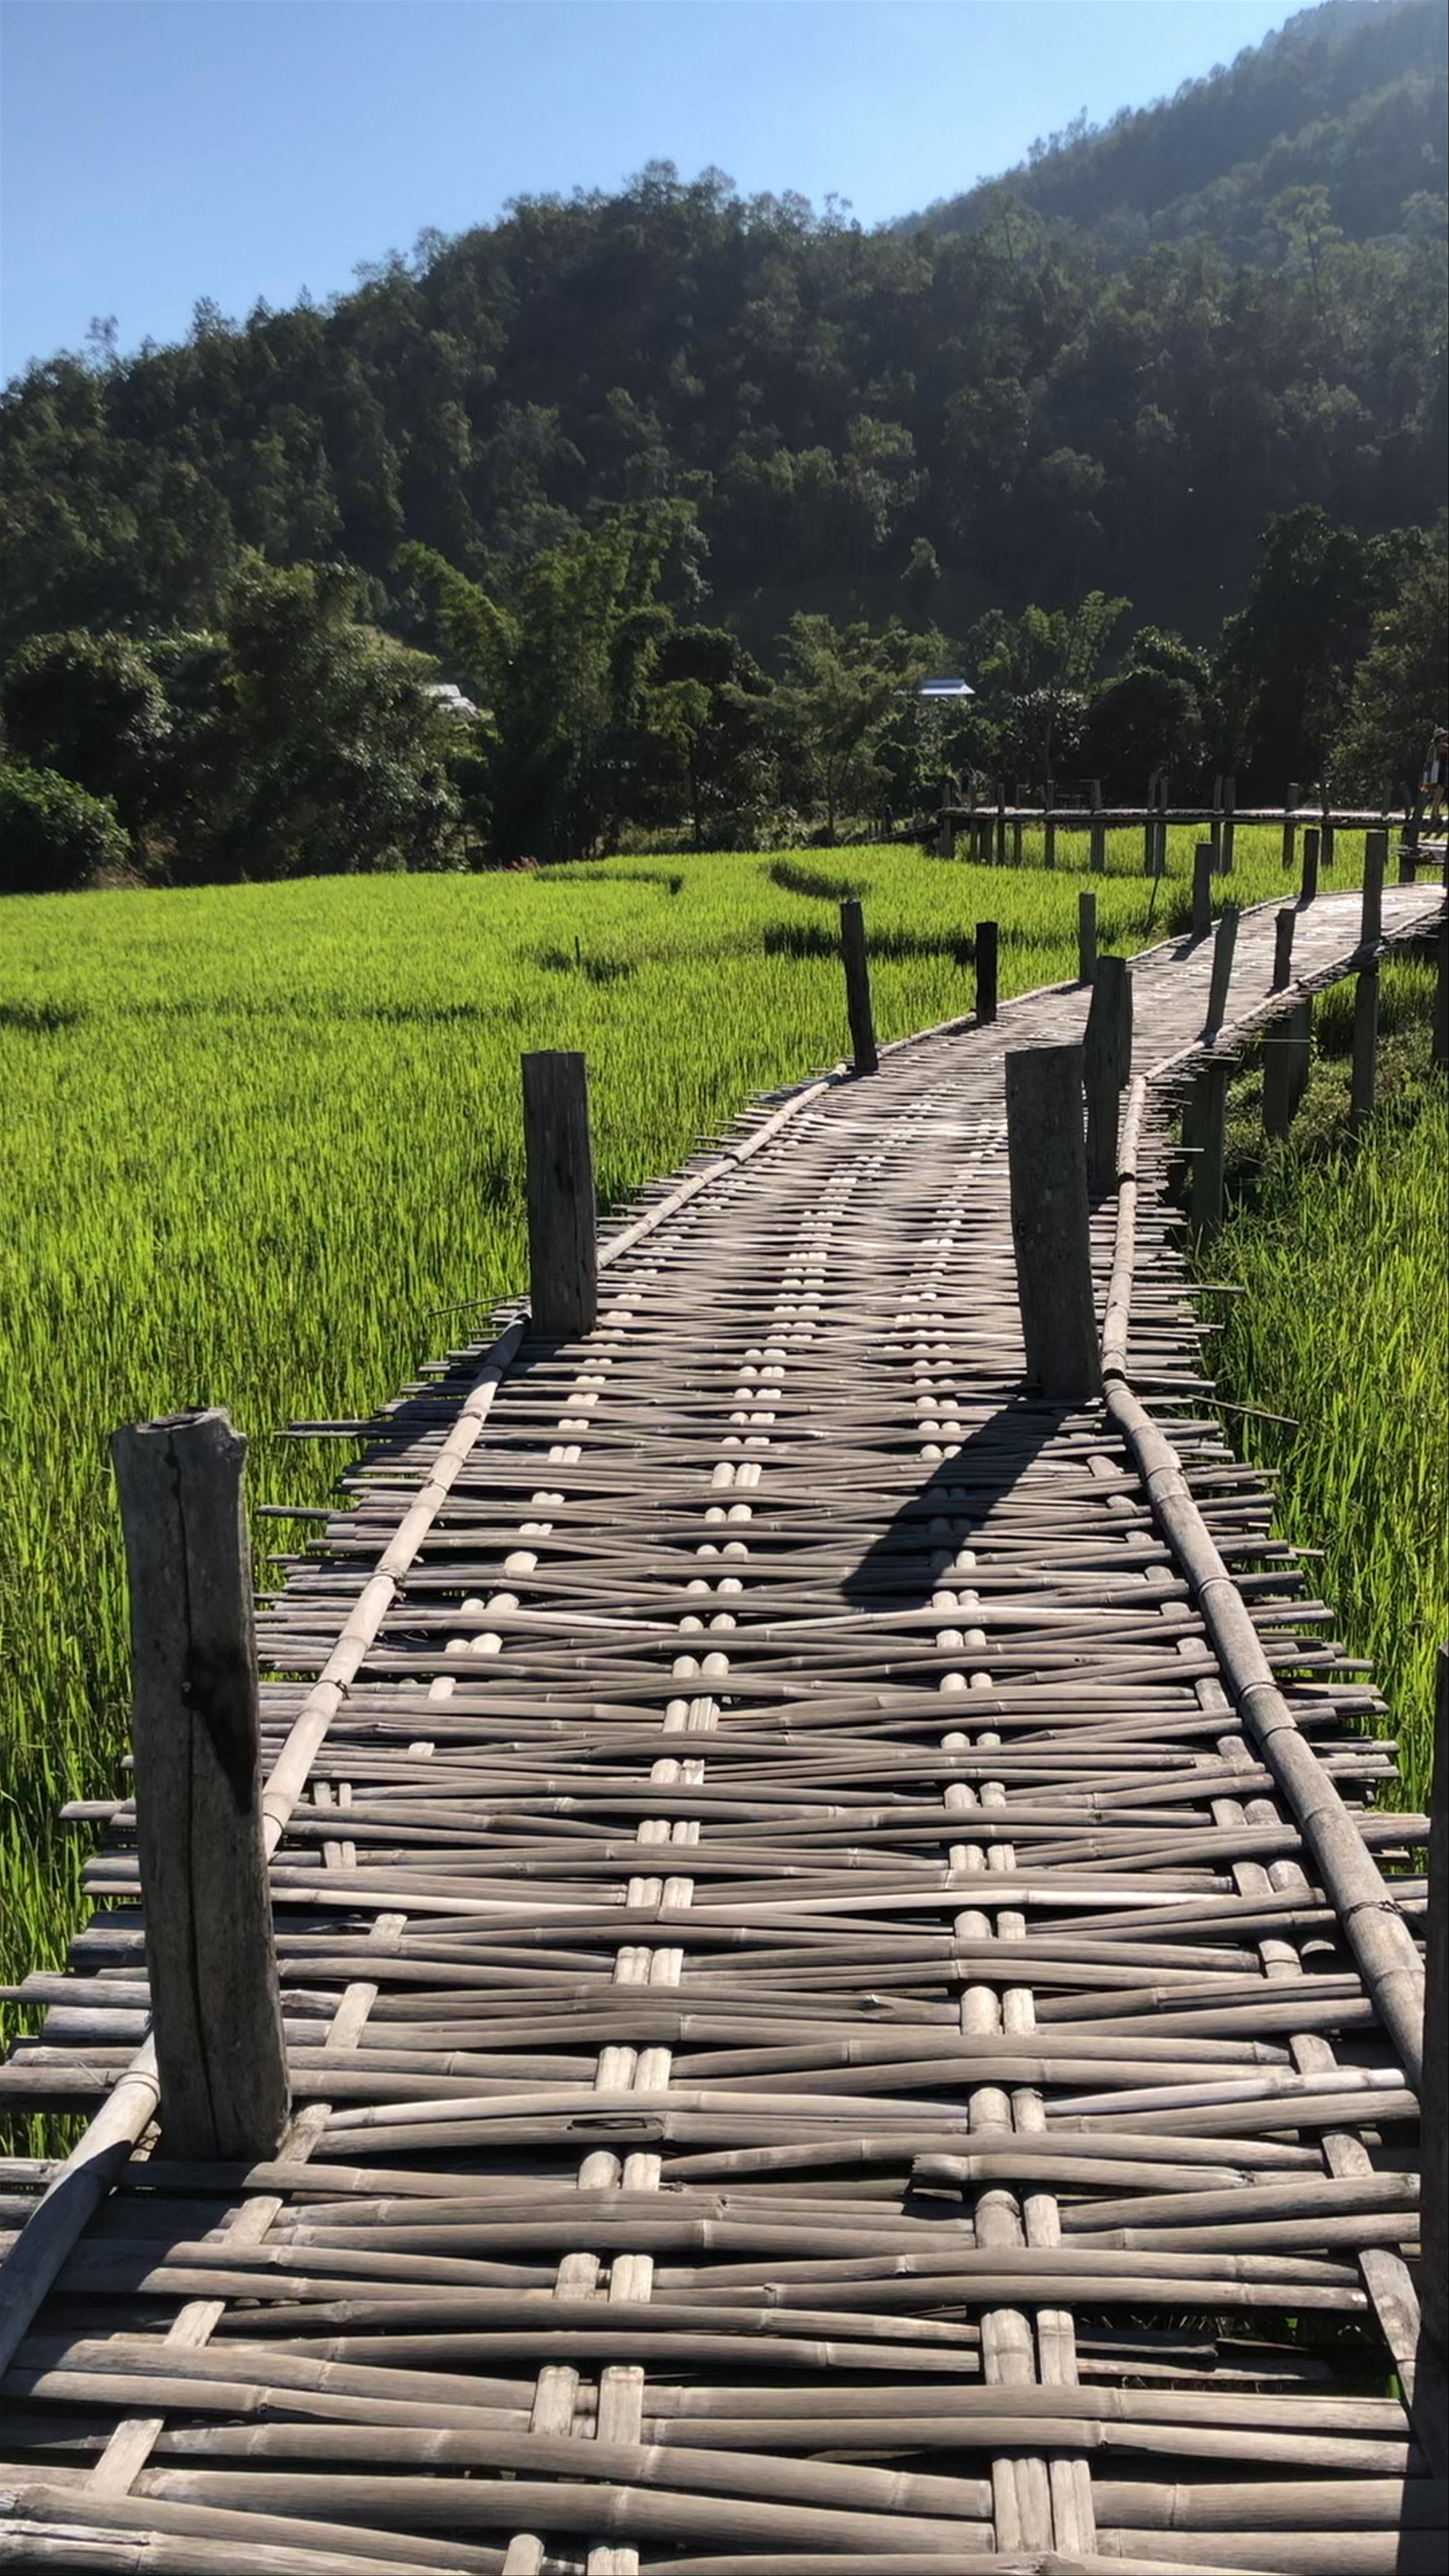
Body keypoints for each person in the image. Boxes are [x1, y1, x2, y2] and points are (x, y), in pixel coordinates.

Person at [1422, 724, 1448, 827]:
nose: (1445, 738)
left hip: (1436, 772)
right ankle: (1434, 814)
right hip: (1436, 772)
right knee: (1438, 793)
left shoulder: (1434, 747)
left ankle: (1436, 813)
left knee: (1438, 794)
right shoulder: (1437, 747)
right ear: (1439, 738)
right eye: (1443, 736)